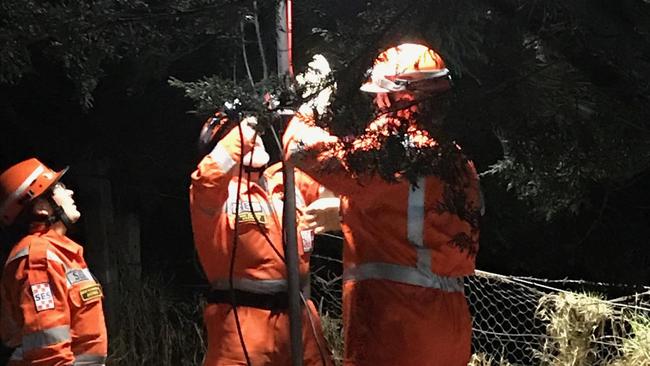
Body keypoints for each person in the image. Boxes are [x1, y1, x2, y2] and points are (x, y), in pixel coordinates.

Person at [283, 43, 483, 366]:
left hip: (397, 327)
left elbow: (303, 150)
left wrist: (306, 109)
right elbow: (407, 219)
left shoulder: (393, 156)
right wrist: (346, 213)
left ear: (404, 97)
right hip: (448, 325)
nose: (377, 103)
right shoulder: (455, 161)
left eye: (382, 95)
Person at [189, 111, 335, 365]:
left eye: (256, 133)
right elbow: (207, 177)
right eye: (238, 134)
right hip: (241, 324)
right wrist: (246, 129)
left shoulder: (285, 181)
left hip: (299, 321)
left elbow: (336, 178)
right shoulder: (214, 196)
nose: (254, 138)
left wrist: (309, 116)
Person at [0, 158, 108, 365]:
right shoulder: (37, 259)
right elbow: (47, 351)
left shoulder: (61, 253)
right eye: (60, 188)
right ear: (41, 207)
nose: (70, 193)